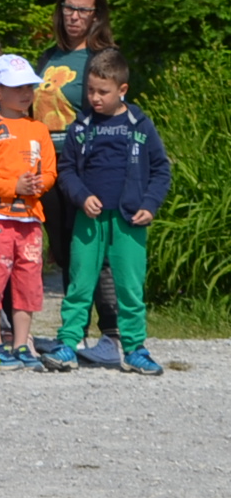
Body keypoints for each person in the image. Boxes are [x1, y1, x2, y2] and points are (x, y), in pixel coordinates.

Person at [50, 48, 171, 377]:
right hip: (89, 221)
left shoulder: (140, 126)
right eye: (90, 90)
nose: (94, 98)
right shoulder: (80, 127)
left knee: (130, 287)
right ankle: (68, 343)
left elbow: (161, 170)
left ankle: (134, 348)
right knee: (79, 283)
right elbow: (67, 170)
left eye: (102, 92)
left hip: (130, 220)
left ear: (122, 90)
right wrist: (81, 196)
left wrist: (150, 205)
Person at [36, 0, 123, 360]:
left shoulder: (102, 58)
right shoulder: (47, 56)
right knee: (66, 251)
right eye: (68, 8)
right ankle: (74, 333)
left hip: (85, 165)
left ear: (96, 15)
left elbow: (112, 112)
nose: (74, 16)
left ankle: (113, 333)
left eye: (83, 10)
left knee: (95, 249)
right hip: (47, 166)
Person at [0, 53, 60, 371]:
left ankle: (21, 344)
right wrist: (13, 186)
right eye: (17, 86)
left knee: (28, 284)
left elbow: (50, 171)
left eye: (30, 87)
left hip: (31, 220)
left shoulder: (39, 129)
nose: (25, 93)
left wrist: (39, 185)